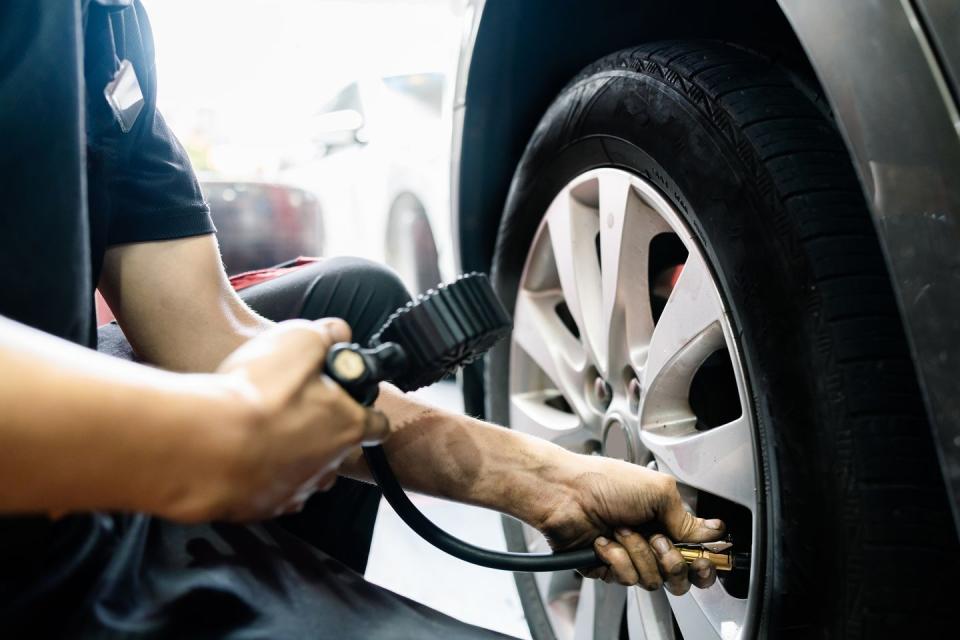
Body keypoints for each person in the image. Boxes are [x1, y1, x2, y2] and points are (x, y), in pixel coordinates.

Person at [0, 1, 725, 637]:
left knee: (353, 298)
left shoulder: (104, 29)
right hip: (36, 546)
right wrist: (207, 438)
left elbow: (208, 335)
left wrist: (552, 480)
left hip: (81, 455)